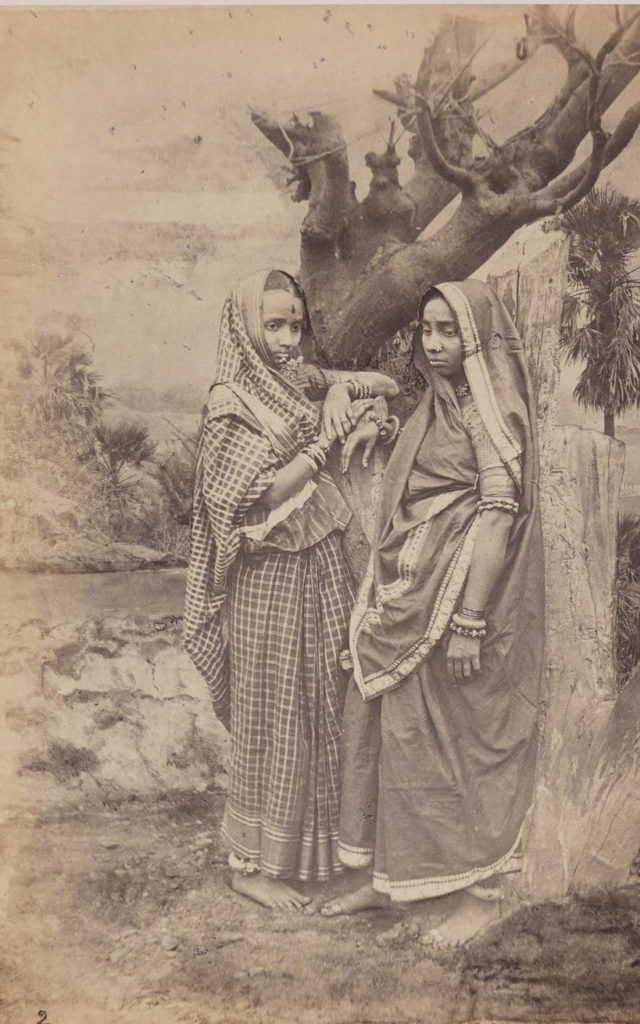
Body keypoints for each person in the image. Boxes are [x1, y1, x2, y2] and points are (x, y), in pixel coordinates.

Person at [322, 278, 545, 946]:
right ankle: (388, 876)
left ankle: (480, 894)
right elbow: (426, 465)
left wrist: (470, 621)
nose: (435, 342)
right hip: (404, 590)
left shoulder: (489, 412)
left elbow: (497, 515)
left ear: (478, 339)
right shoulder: (440, 402)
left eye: (450, 330)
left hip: (454, 603)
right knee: (393, 735)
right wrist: (383, 425)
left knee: (453, 743)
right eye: (427, 329)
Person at [183, 267, 399, 910]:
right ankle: (249, 866)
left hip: (323, 563)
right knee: (272, 709)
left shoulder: (298, 379)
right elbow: (257, 495)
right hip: (267, 576)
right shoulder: (230, 403)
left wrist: (340, 391)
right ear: (247, 327)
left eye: (295, 326)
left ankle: (321, 856)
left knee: (327, 701)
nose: (285, 339)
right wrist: (321, 441)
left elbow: (386, 383)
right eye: (272, 325)